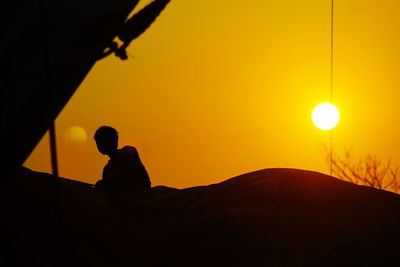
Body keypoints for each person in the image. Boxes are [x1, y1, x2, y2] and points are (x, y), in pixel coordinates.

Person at [94, 126, 151, 194]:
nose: (100, 145)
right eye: (98, 142)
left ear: (115, 141)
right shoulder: (107, 170)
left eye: (103, 141)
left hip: (139, 195)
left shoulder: (128, 152)